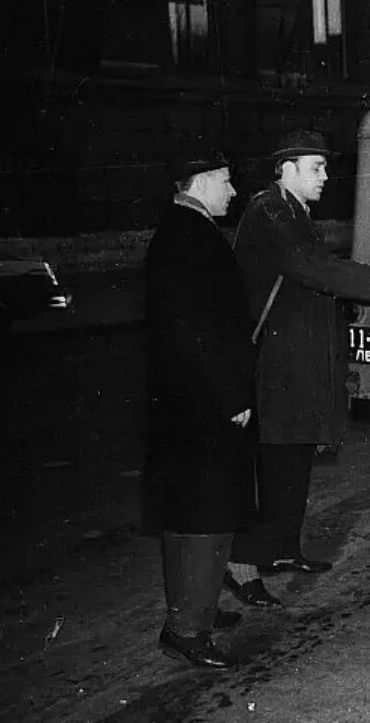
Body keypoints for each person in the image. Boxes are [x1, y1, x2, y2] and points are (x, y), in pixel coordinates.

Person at [222, 129, 370, 607]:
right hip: (276, 362)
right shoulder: (269, 209)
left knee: (294, 456)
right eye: (316, 167)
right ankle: (245, 565)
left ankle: (281, 550)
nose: (325, 175)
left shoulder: (293, 211)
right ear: (287, 168)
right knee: (274, 462)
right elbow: (304, 265)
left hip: (298, 357)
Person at [143, 151, 256, 668]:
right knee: (208, 517)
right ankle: (188, 629)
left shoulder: (181, 229)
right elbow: (198, 334)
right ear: (201, 181)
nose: (232, 192)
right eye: (226, 181)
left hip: (186, 403)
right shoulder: (190, 237)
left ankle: (195, 611)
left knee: (188, 514)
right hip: (207, 405)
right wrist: (232, 398)